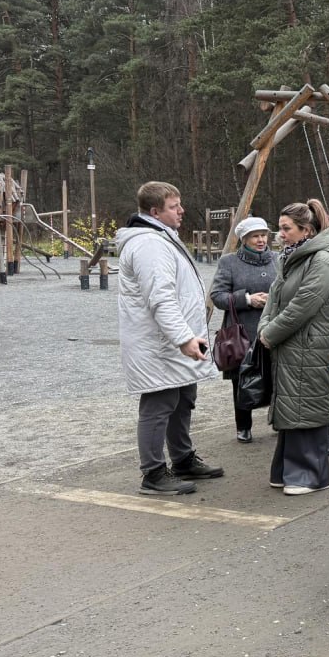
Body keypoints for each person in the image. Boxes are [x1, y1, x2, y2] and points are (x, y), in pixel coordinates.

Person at [117, 181, 223, 496]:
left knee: (183, 399)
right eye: (174, 206)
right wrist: (182, 339)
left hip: (175, 341)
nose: (181, 211)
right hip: (160, 345)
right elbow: (160, 298)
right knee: (159, 402)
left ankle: (182, 459)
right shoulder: (149, 244)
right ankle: (152, 474)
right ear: (155, 212)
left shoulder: (161, 237)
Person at [257, 199, 329, 496]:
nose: (279, 234)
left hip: (310, 345)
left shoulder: (323, 260)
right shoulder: (291, 256)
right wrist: (264, 328)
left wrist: (270, 333)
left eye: (286, 228)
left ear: (306, 230)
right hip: (290, 343)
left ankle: (309, 475)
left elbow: (302, 305)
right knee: (292, 405)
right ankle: (288, 471)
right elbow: (275, 295)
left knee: (305, 406)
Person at [210, 216, 279, 443]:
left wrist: (276, 299)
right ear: (243, 239)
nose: (261, 240)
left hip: (274, 328)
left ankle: (279, 420)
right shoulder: (229, 262)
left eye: (263, 235)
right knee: (242, 379)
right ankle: (243, 425)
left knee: (278, 376)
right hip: (242, 332)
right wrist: (247, 299)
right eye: (254, 236)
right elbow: (217, 296)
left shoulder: (278, 260)